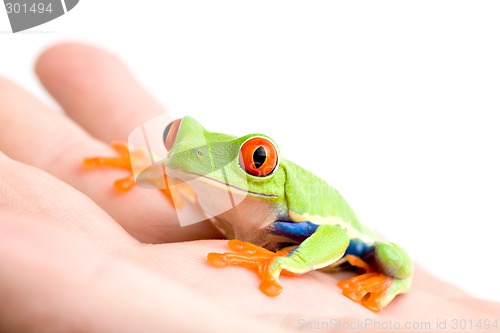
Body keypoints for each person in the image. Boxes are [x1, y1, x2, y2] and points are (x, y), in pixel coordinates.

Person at [0, 42, 498, 333]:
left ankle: (394, 283)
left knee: (392, 258)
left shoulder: (284, 214)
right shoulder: (213, 191)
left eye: (253, 159)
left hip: (342, 238)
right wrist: (147, 167)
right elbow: (182, 177)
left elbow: (339, 240)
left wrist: (286, 260)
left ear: (264, 167)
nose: (184, 157)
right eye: (176, 138)